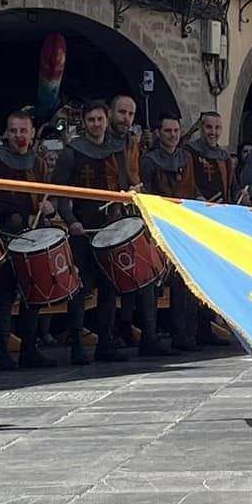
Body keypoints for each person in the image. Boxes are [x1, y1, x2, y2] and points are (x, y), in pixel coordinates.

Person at [54, 98, 163, 364]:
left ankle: (105, 343)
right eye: (91, 120)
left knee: (108, 288)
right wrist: (70, 221)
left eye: (99, 119)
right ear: (85, 122)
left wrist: (132, 193)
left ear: (106, 120)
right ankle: (77, 344)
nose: (96, 124)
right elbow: (59, 192)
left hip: (110, 228)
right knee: (82, 287)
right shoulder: (72, 152)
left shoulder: (117, 151)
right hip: (83, 227)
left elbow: (125, 185)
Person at [0, 107, 57, 370]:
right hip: (4, 234)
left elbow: (47, 195)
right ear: (6, 133)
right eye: (13, 131)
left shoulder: (37, 162)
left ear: (32, 132)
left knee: (32, 294)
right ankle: (2, 352)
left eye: (23, 131)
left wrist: (49, 207)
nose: (18, 136)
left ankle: (29, 349)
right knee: (4, 295)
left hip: (32, 234)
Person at [139, 111, 202, 352]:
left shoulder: (186, 158)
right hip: (158, 227)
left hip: (182, 227)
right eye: (168, 131)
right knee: (153, 284)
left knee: (183, 282)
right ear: (158, 133)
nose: (173, 135)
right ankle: (150, 338)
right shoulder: (149, 161)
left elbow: (191, 188)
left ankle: (184, 334)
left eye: (176, 131)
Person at [187, 111, 237, 203]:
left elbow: (233, 188)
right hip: (196, 208)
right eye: (209, 127)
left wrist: (241, 195)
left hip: (220, 210)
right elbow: (187, 181)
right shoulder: (189, 151)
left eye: (217, 128)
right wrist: (198, 196)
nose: (213, 132)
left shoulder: (224, 157)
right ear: (201, 128)